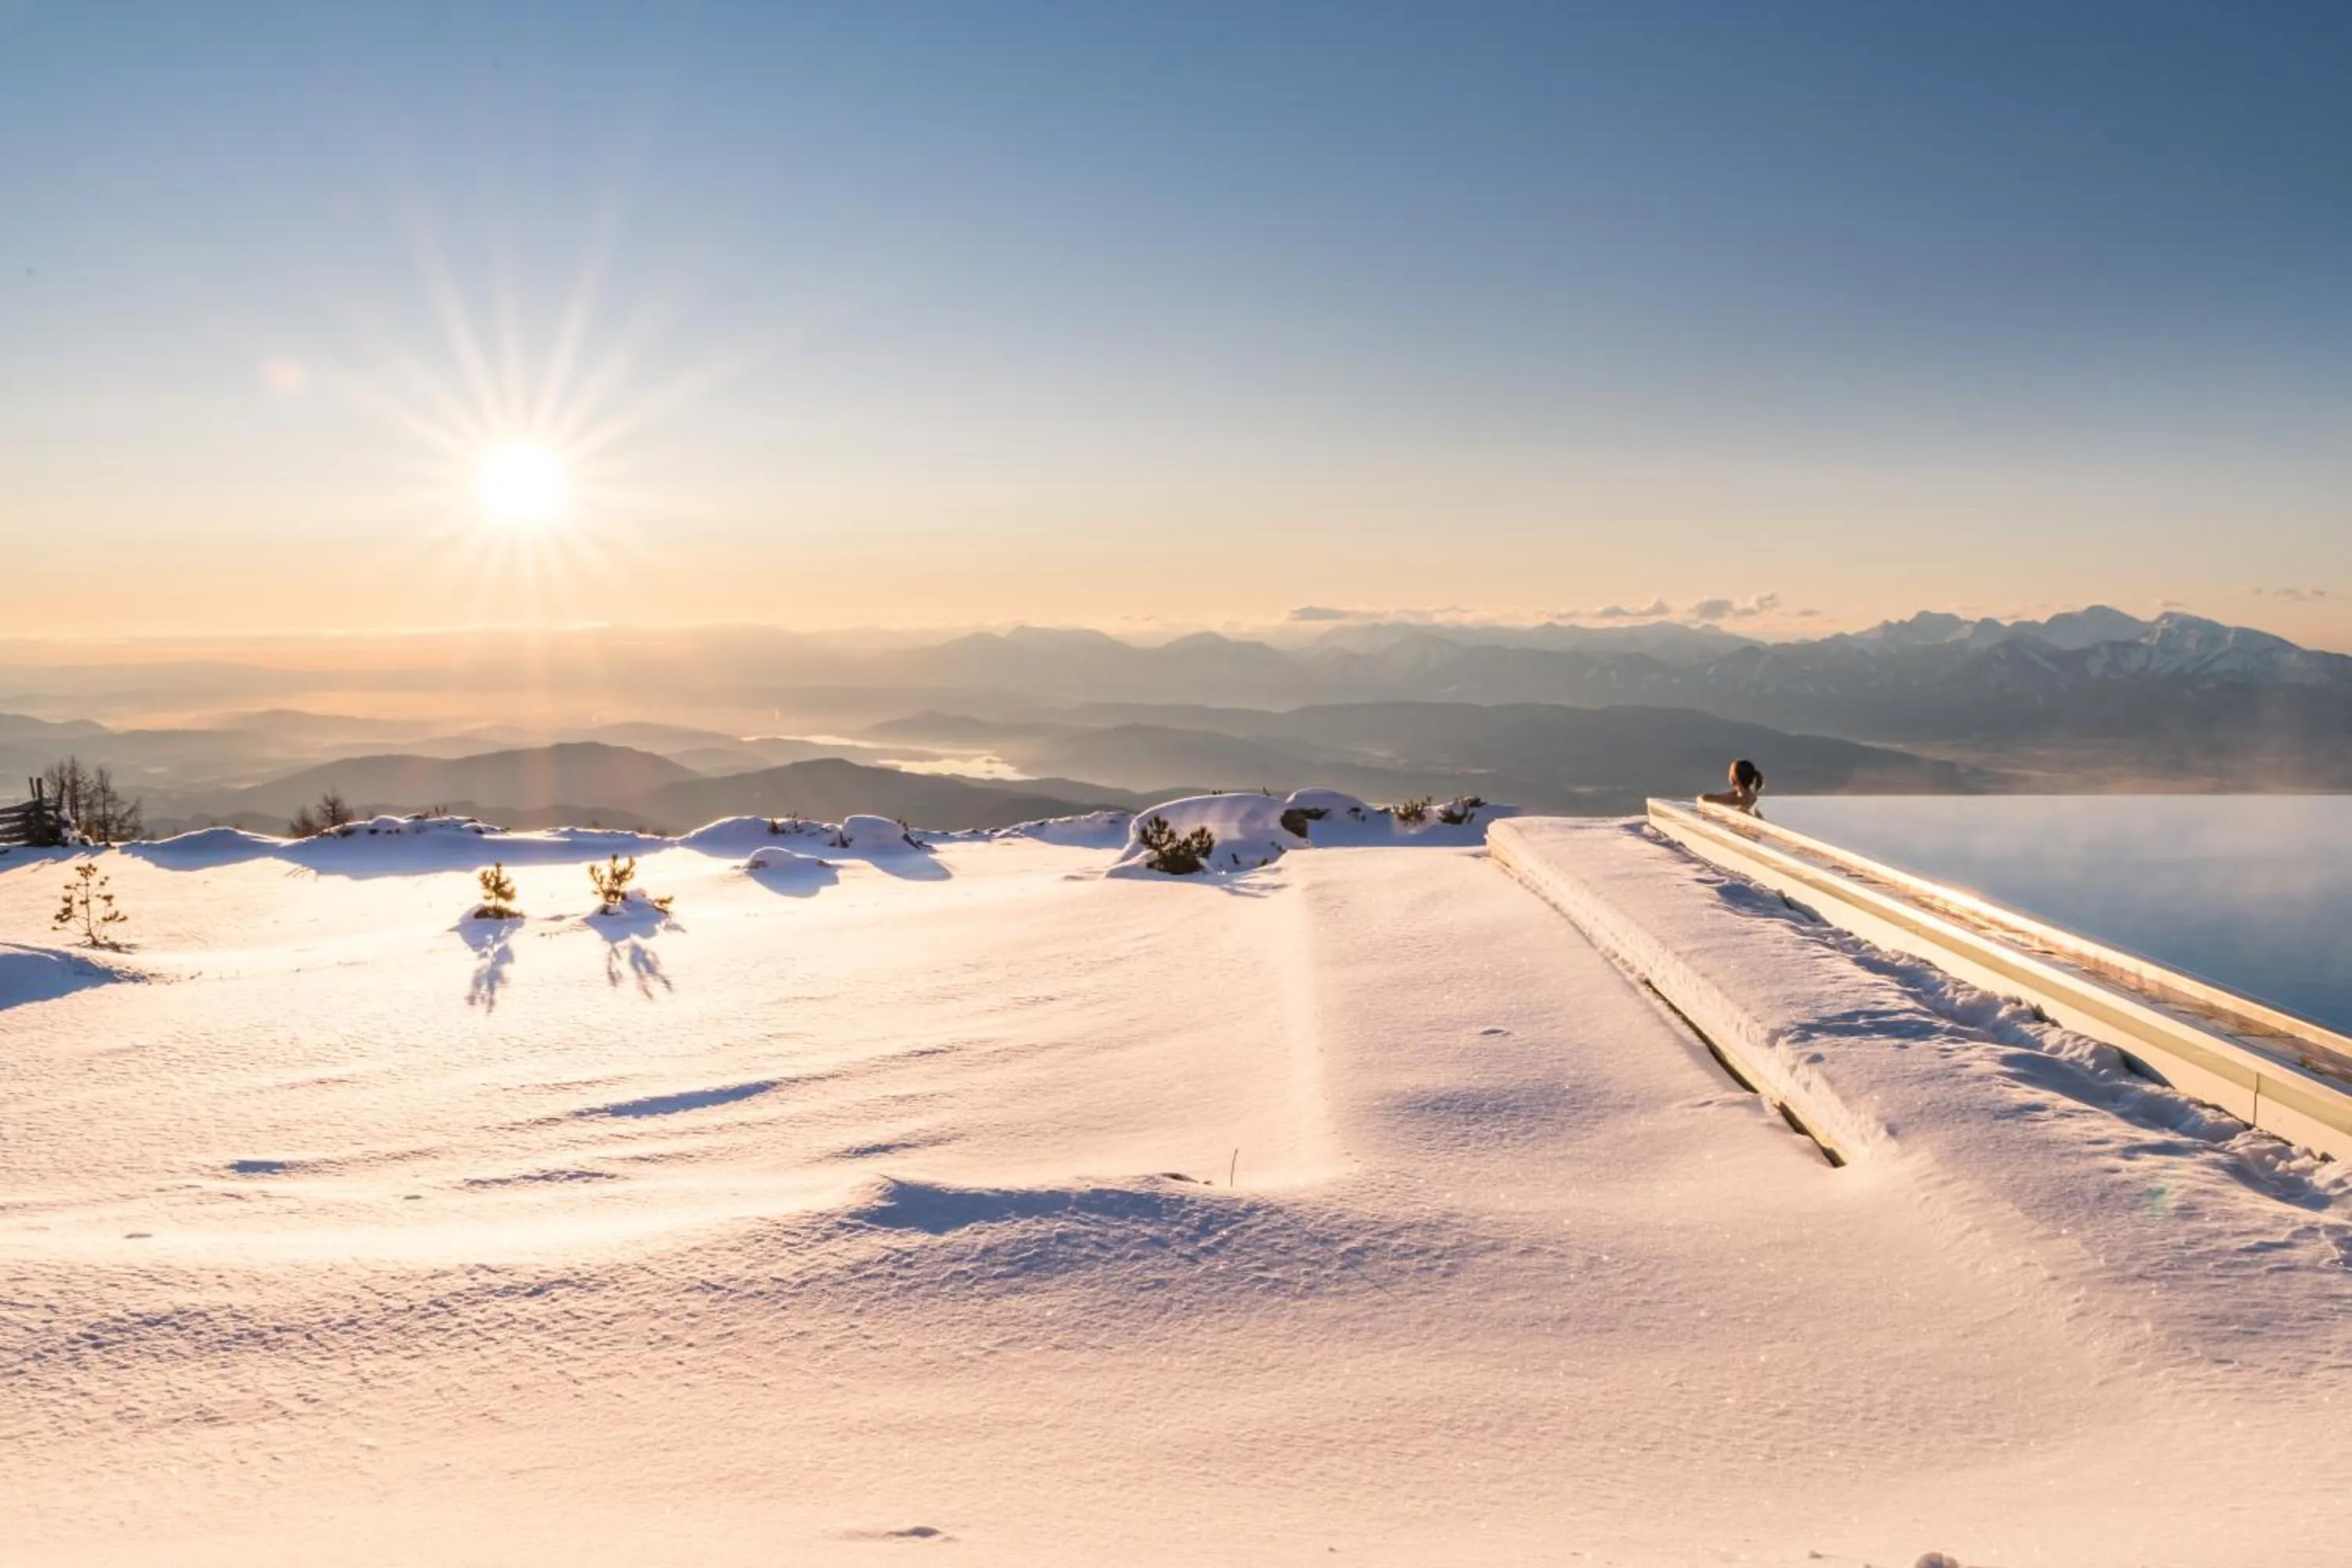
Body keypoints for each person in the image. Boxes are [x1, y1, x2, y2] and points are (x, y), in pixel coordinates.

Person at [1700, 757, 1764, 815]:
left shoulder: (1740, 799)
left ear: (1734, 778)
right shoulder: (1741, 795)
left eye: (1730, 773)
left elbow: (1705, 798)